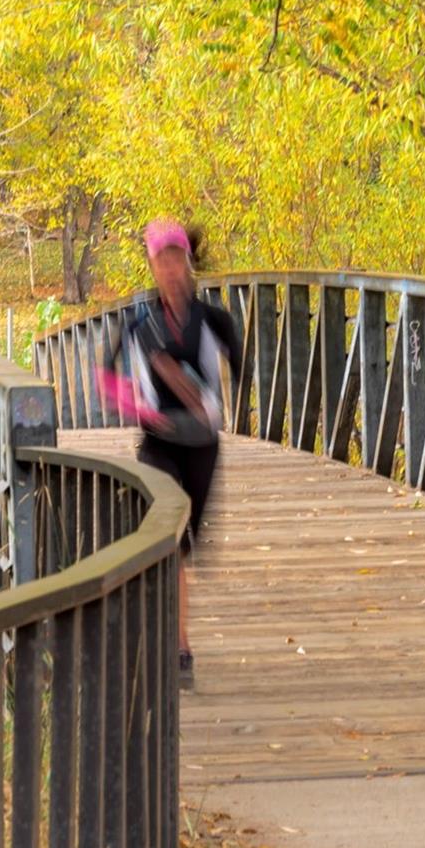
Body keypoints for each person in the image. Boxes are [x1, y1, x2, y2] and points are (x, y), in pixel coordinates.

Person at [100, 220, 241, 688]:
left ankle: (171, 636)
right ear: (152, 266)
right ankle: (179, 648)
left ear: (189, 262)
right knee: (172, 542)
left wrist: (219, 406)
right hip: (157, 443)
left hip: (202, 444)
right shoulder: (139, 325)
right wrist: (139, 408)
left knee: (187, 544)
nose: (170, 269)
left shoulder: (212, 320)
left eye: (177, 258)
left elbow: (242, 366)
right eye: (161, 261)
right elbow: (106, 379)